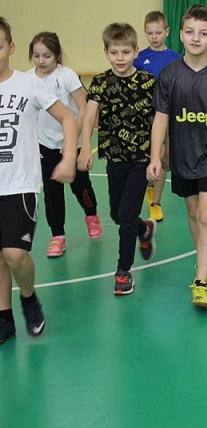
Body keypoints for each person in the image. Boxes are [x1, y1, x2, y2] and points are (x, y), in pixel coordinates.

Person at [147, 5, 207, 309]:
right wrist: (155, 156)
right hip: (182, 155)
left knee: (206, 215)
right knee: (193, 213)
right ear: (180, 34)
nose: (195, 38)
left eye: (203, 33)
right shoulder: (169, 75)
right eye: (190, 32)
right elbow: (160, 118)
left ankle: (201, 282)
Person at [0, 17, 77, 344]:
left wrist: (69, 157)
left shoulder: (28, 84)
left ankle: (28, 297)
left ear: (10, 47)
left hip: (18, 185)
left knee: (15, 254)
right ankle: (4, 318)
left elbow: (68, 117)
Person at [79, 22, 158, 296]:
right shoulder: (101, 82)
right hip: (114, 157)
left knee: (125, 216)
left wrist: (159, 155)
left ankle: (123, 271)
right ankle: (144, 229)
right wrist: (84, 148)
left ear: (136, 51)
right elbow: (89, 116)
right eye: (114, 52)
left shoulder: (148, 82)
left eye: (125, 52)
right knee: (117, 213)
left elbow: (159, 120)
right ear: (106, 53)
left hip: (141, 158)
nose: (120, 58)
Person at [27, 32, 102, 257]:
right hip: (45, 144)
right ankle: (57, 236)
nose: (41, 61)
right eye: (36, 56)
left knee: (81, 186)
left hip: (72, 142)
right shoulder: (28, 79)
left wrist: (72, 141)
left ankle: (91, 214)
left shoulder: (67, 75)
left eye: (47, 56)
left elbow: (83, 107)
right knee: (51, 192)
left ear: (57, 55)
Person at [134, 11, 181, 223]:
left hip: (168, 115)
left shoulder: (176, 59)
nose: (154, 37)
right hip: (144, 117)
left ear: (167, 32)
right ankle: (150, 191)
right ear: (145, 33)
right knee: (147, 156)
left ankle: (156, 202)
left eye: (158, 32)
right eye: (150, 33)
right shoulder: (138, 58)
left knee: (164, 157)